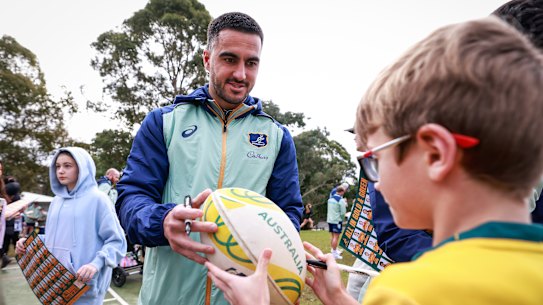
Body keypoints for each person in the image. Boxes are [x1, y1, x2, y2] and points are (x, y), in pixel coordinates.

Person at [205, 16, 543, 305]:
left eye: (374, 160)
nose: (375, 182)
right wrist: (339, 298)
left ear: (436, 154)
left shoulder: (406, 290)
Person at [116, 12, 303, 305]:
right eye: (230, 59)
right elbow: (131, 198)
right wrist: (162, 221)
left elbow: (288, 214)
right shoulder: (162, 123)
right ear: (207, 59)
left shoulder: (277, 137)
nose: (241, 74)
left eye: (251, 63)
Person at [16, 147, 126, 305]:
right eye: (57, 166)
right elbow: (56, 238)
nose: (60, 171)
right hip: (54, 286)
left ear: (82, 168)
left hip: (85, 287)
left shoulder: (98, 199)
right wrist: (29, 243)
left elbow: (117, 241)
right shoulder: (56, 202)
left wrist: (95, 264)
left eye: (67, 166)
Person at [327, 184, 347, 259]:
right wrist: (341, 219)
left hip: (330, 220)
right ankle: (334, 254)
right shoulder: (340, 200)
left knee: (332, 236)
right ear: (341, 192)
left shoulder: (330, 199)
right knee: (336, 237)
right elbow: (342, 212)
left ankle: (333, 251)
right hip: (337, 221)